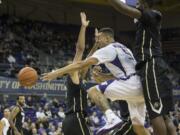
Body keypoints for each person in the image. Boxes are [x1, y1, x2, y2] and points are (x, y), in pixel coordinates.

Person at [42, 28, 150, 135]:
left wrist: (55, 73)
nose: (97, 40)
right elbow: (119, 75)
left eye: (99, 37)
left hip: (130, 85)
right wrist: (102, 75)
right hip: (141, 88)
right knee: (138, 128)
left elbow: (81, 63)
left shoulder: (108, 49)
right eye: (96, 38)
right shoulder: (125, 49)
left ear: (107, 38)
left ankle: (111, 118)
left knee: (93, 91)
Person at [108, 0, 177, 135]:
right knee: (164, 115)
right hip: (156, 66)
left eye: (138, 2)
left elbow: (123, 8)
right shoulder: (150, 18)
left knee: (155, 113)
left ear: (145, 3)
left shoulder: (150, 15)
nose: (136, 4)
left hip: (151, 66)